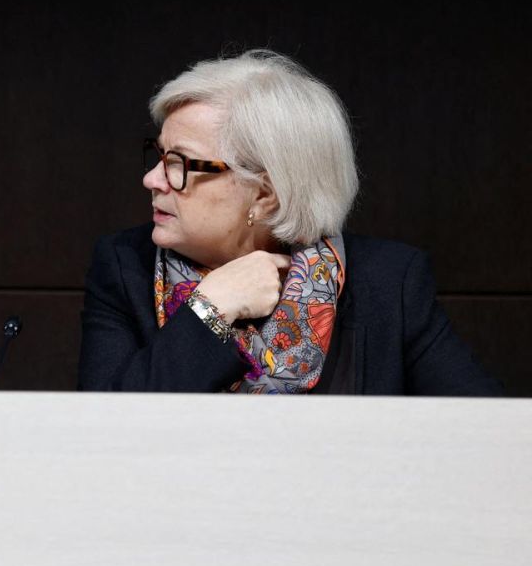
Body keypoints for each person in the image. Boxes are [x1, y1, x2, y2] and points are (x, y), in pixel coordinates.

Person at [78, 49, 499, 395]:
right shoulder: (124, 266)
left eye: (179, 163)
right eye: (158, 156)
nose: (152, 179)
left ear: (265, 194)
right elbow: (105, 429)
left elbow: (482, 430)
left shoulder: (390, 282)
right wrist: (209, 308)